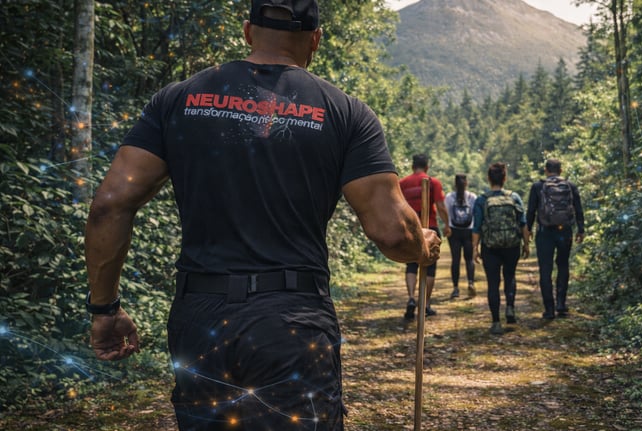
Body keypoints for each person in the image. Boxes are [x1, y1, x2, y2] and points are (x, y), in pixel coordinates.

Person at [84, 2, 442, 430]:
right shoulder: (346, 113)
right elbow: (392, 232)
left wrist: (104, 308)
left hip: (200, 319)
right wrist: (422, 245)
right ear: (316, 40)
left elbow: (109, 204)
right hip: (291, 321)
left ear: (248, 31)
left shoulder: (177, 99)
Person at [472, 163, 529, 335]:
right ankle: (510, 307)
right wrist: (526, 244)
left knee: (493, 283)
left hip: (491, 247)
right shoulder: (514, 197)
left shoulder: (482, 200)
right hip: (512, 245)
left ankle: (496, 322)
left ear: (489, 179)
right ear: (505, 178)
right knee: (510, 276)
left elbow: (477, 227)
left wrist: (475, 248)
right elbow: (523, 224)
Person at [525, 158, 585, 320]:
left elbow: (531, 211)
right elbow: (578, 208)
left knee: (545, 268)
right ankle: (561, 304)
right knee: (563, 265)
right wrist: (581, 229)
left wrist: (528, 229)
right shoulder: (570, 186)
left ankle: (549, 309)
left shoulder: (538, 186)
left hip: (545, 232)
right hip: (565, 231)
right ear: (561, 170)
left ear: (546, 170)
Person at [399, 153, 450, 319]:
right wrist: (447, 224)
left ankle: (411, 298)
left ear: (413, 166)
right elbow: (441, 206)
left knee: (411, 265)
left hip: (410, 230)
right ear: (427, 167)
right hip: (430, 228)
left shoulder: (402, 184)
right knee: (430, 267)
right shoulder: (433, 182)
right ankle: (426, 304)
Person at [443, 174, 477, 299]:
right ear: (466, 183)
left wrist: (446, 226)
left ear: (454, 184)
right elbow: (476, 214)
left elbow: (446, 213)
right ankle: (471, 283)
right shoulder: (472, 197)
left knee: (455, 260)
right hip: (469, 231)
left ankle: (456, 288)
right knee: (469, 259)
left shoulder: (449, 197)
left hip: (454, 232)